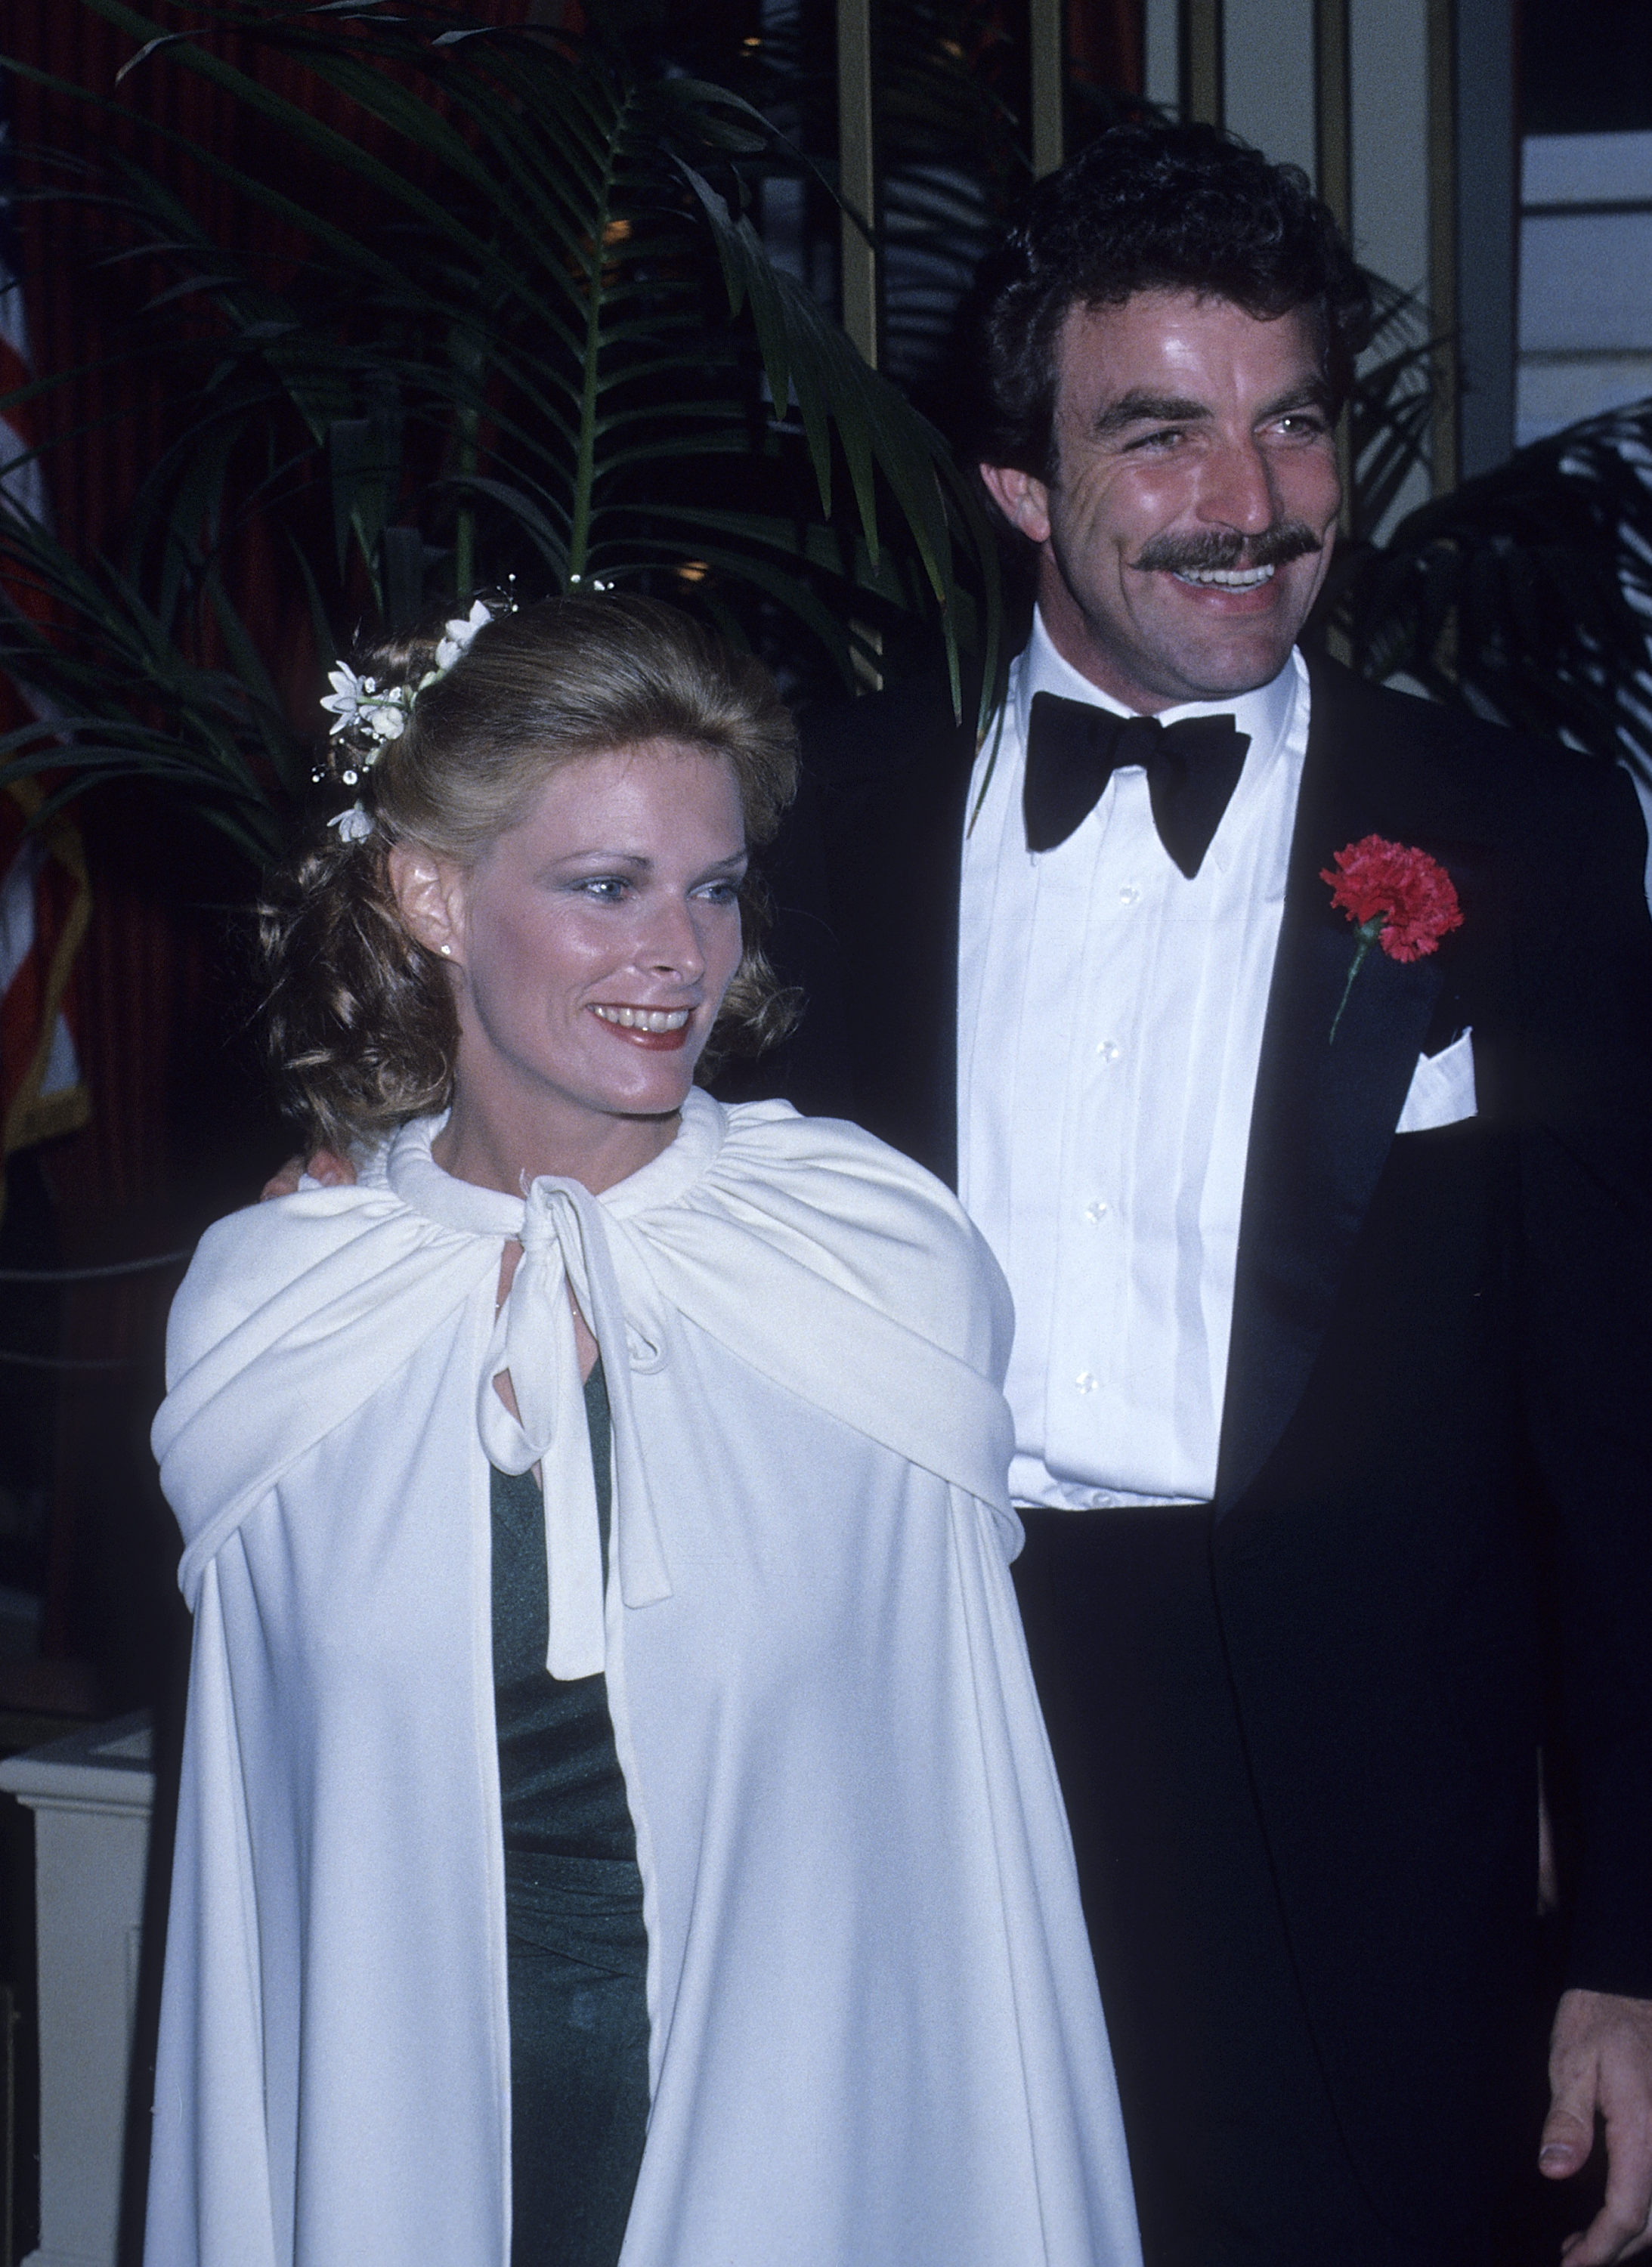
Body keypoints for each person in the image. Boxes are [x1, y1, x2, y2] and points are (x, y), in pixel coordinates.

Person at [741, 122, 1652, 2267]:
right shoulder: (816, 816)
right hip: (927, 1747)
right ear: (1018, 486)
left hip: (1373, 1806)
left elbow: (1625, 1421)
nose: (1249, 506)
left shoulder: (1519, 830)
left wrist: (1629, 1941)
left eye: (1293, 424)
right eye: (1159, 436)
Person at [145, 595, 1143, 2267]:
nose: (677, 956)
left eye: (715, 888)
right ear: (432, 893)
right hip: (406, 2124)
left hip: (805, 2118)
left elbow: (940, 1816)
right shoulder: (283, 1306)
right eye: (605, 888)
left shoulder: (868, 1257)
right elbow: (281, 1852)